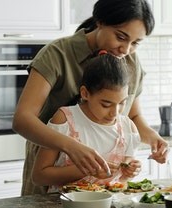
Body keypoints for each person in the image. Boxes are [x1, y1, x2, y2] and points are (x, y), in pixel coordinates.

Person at [13, 0, 169, 195]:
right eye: (121, 37)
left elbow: (133, 117)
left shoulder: (130, 62)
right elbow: (22, 120)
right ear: (100, 22)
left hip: (102, 189)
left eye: (135, 43)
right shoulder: (57, 54)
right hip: (51, 173)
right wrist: (71, 147)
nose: (126, 49)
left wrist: (153, 138)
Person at [32, 53, 142, 192]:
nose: (115, 113)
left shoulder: (128, 127)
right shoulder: (65, 119)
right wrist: (86, 170)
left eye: (122, 103)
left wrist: (131, 171)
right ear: (85, 93)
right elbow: (39, 176)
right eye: (106, 104)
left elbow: (123, 180)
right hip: (64, 207)